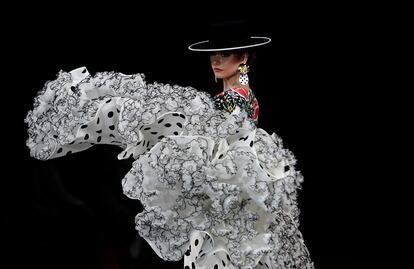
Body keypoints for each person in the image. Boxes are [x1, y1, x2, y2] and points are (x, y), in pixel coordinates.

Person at [25, 20, 314, 268]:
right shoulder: (238, 95)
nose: (215, 61)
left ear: (244, 59)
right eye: (213, 54)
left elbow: (226, 146)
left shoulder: (234, 99)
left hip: (224, 189)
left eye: (224, 54)